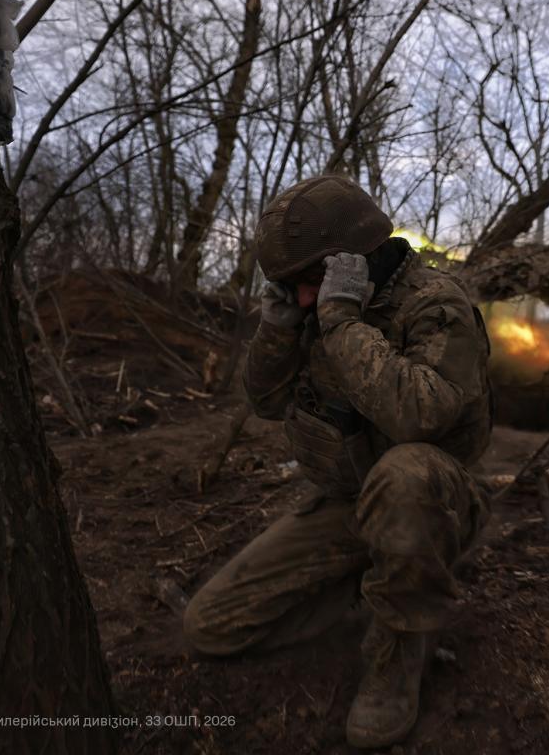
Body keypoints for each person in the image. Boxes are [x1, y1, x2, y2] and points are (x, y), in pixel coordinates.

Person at [183, 175, 493, 749]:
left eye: (309, 281)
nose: (303, 298)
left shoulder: (434, 303)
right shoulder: (308, 309)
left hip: (431, 503)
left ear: (356, 259)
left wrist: (343, 323)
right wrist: (278, 328)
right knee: (213, 627)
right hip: (350, 506)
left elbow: (420, 417)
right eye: (291, 285)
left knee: (407, 472)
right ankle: (383, 577)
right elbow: (266, 402)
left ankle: (399, 643)